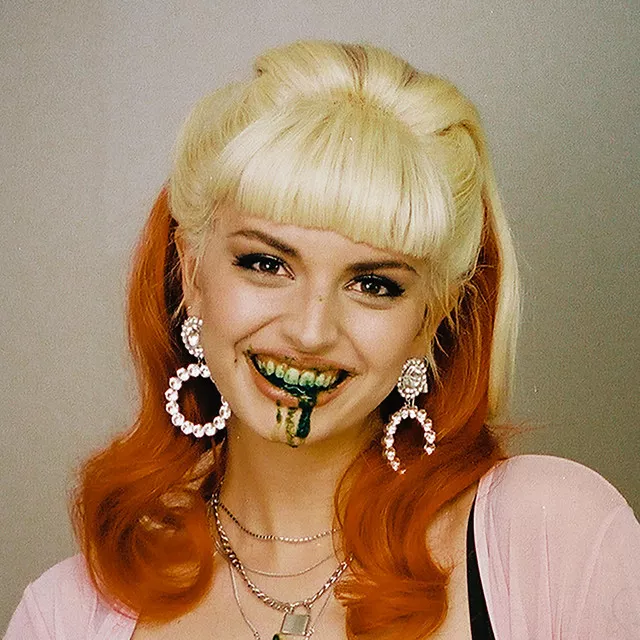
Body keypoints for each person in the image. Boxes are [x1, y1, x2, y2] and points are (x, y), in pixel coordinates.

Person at [5, 40, 639, 640]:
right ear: (191, 273)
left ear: (431, 318)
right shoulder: (67, 615)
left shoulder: (551, 537)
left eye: (374, 284)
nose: (310, 331)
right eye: (266, 264)